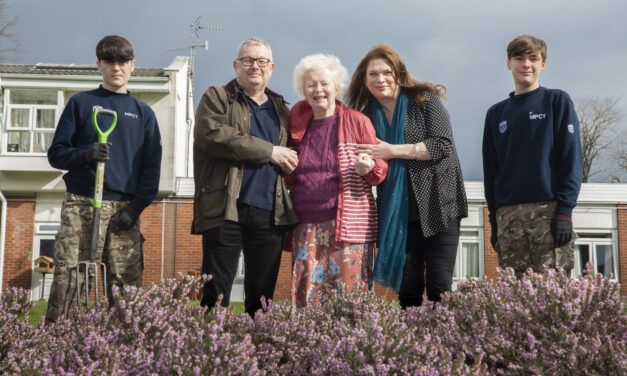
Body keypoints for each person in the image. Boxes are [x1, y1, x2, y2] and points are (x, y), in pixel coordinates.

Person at [45, 35, 162, 322]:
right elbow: (57, 154)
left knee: (125, 285)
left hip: (124, 209)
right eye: (109, 62)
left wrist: (135, 209)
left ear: (132, 65)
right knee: (70, 277)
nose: (116, 68)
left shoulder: (143, 114)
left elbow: (151, 169)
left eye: (122, 62)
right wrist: (86, 155)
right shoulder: (81, 104)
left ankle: (125, 351)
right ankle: (56, 342)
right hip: (81, 205)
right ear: (99, 64)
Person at [349, 44, 468, 308]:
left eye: (387, 72)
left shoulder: (424, 99)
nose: (381, 79)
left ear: (398, 73)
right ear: (364, 80)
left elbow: (441, 145)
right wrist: (365, 164)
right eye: (373, 74)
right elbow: (371, 162)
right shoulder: (365, 116)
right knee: (409, 290)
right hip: (399, 213)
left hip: (439, 205)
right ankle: (412, 348)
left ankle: (444, 346)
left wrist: (392, 150)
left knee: (439, 287)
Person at [192, 38, 299, 317]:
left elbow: (293, 149)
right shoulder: (217, 96)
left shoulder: (280, 109)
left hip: (269, 212)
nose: (255, 66)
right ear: (235, 65)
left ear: (271, 67)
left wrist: (291, 158)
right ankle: (211, 355)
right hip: (225, 209)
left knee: (262, 300)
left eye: (261, 61)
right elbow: (213, 136)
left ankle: (259, 356)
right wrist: (270, 151)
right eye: (247, 60)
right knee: (216, 296)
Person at [287, 54, 387, 307]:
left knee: (349, 298)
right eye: (311, 85)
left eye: (324, 83)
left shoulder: (357, 121)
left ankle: (352, 348)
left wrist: (368, 166)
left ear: (336, 87)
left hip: (349, 226)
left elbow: (380, 169)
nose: (318, 90)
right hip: (306, 225)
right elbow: (289, 175)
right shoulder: (297, 126)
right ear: (303, 90)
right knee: (308, 298)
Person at [482, 34, 582, 277]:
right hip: (509, 220)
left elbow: (571, 159)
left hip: (549, 214)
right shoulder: (496, 114)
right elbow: (491, 173)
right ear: (509, 64)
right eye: (519, 58)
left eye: (533, 58)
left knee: (553, 297)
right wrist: (495, 223)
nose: (526, 64)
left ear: (542, 64)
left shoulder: (556, 101)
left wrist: (564, 211)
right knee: (516, 300)